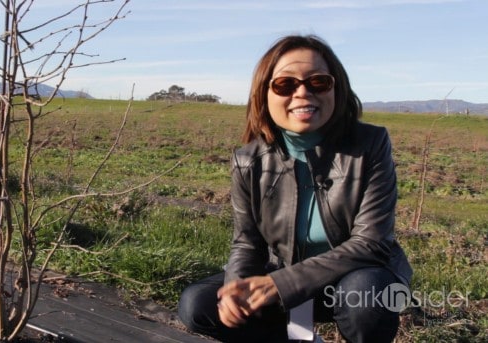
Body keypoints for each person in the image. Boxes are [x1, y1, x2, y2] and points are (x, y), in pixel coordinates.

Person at [177, 34, 413, 343]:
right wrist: (237, 290)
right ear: (264, 94)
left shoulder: (369, 145)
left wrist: (280, 284)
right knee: (199, 304)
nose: (302, 94)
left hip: (356, 280)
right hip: (280, 277)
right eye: (285, 85)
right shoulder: (248, 160)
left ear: (336, 89)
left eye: (318, 83)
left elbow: (371, 243)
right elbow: (247, 243)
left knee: (365, 299)